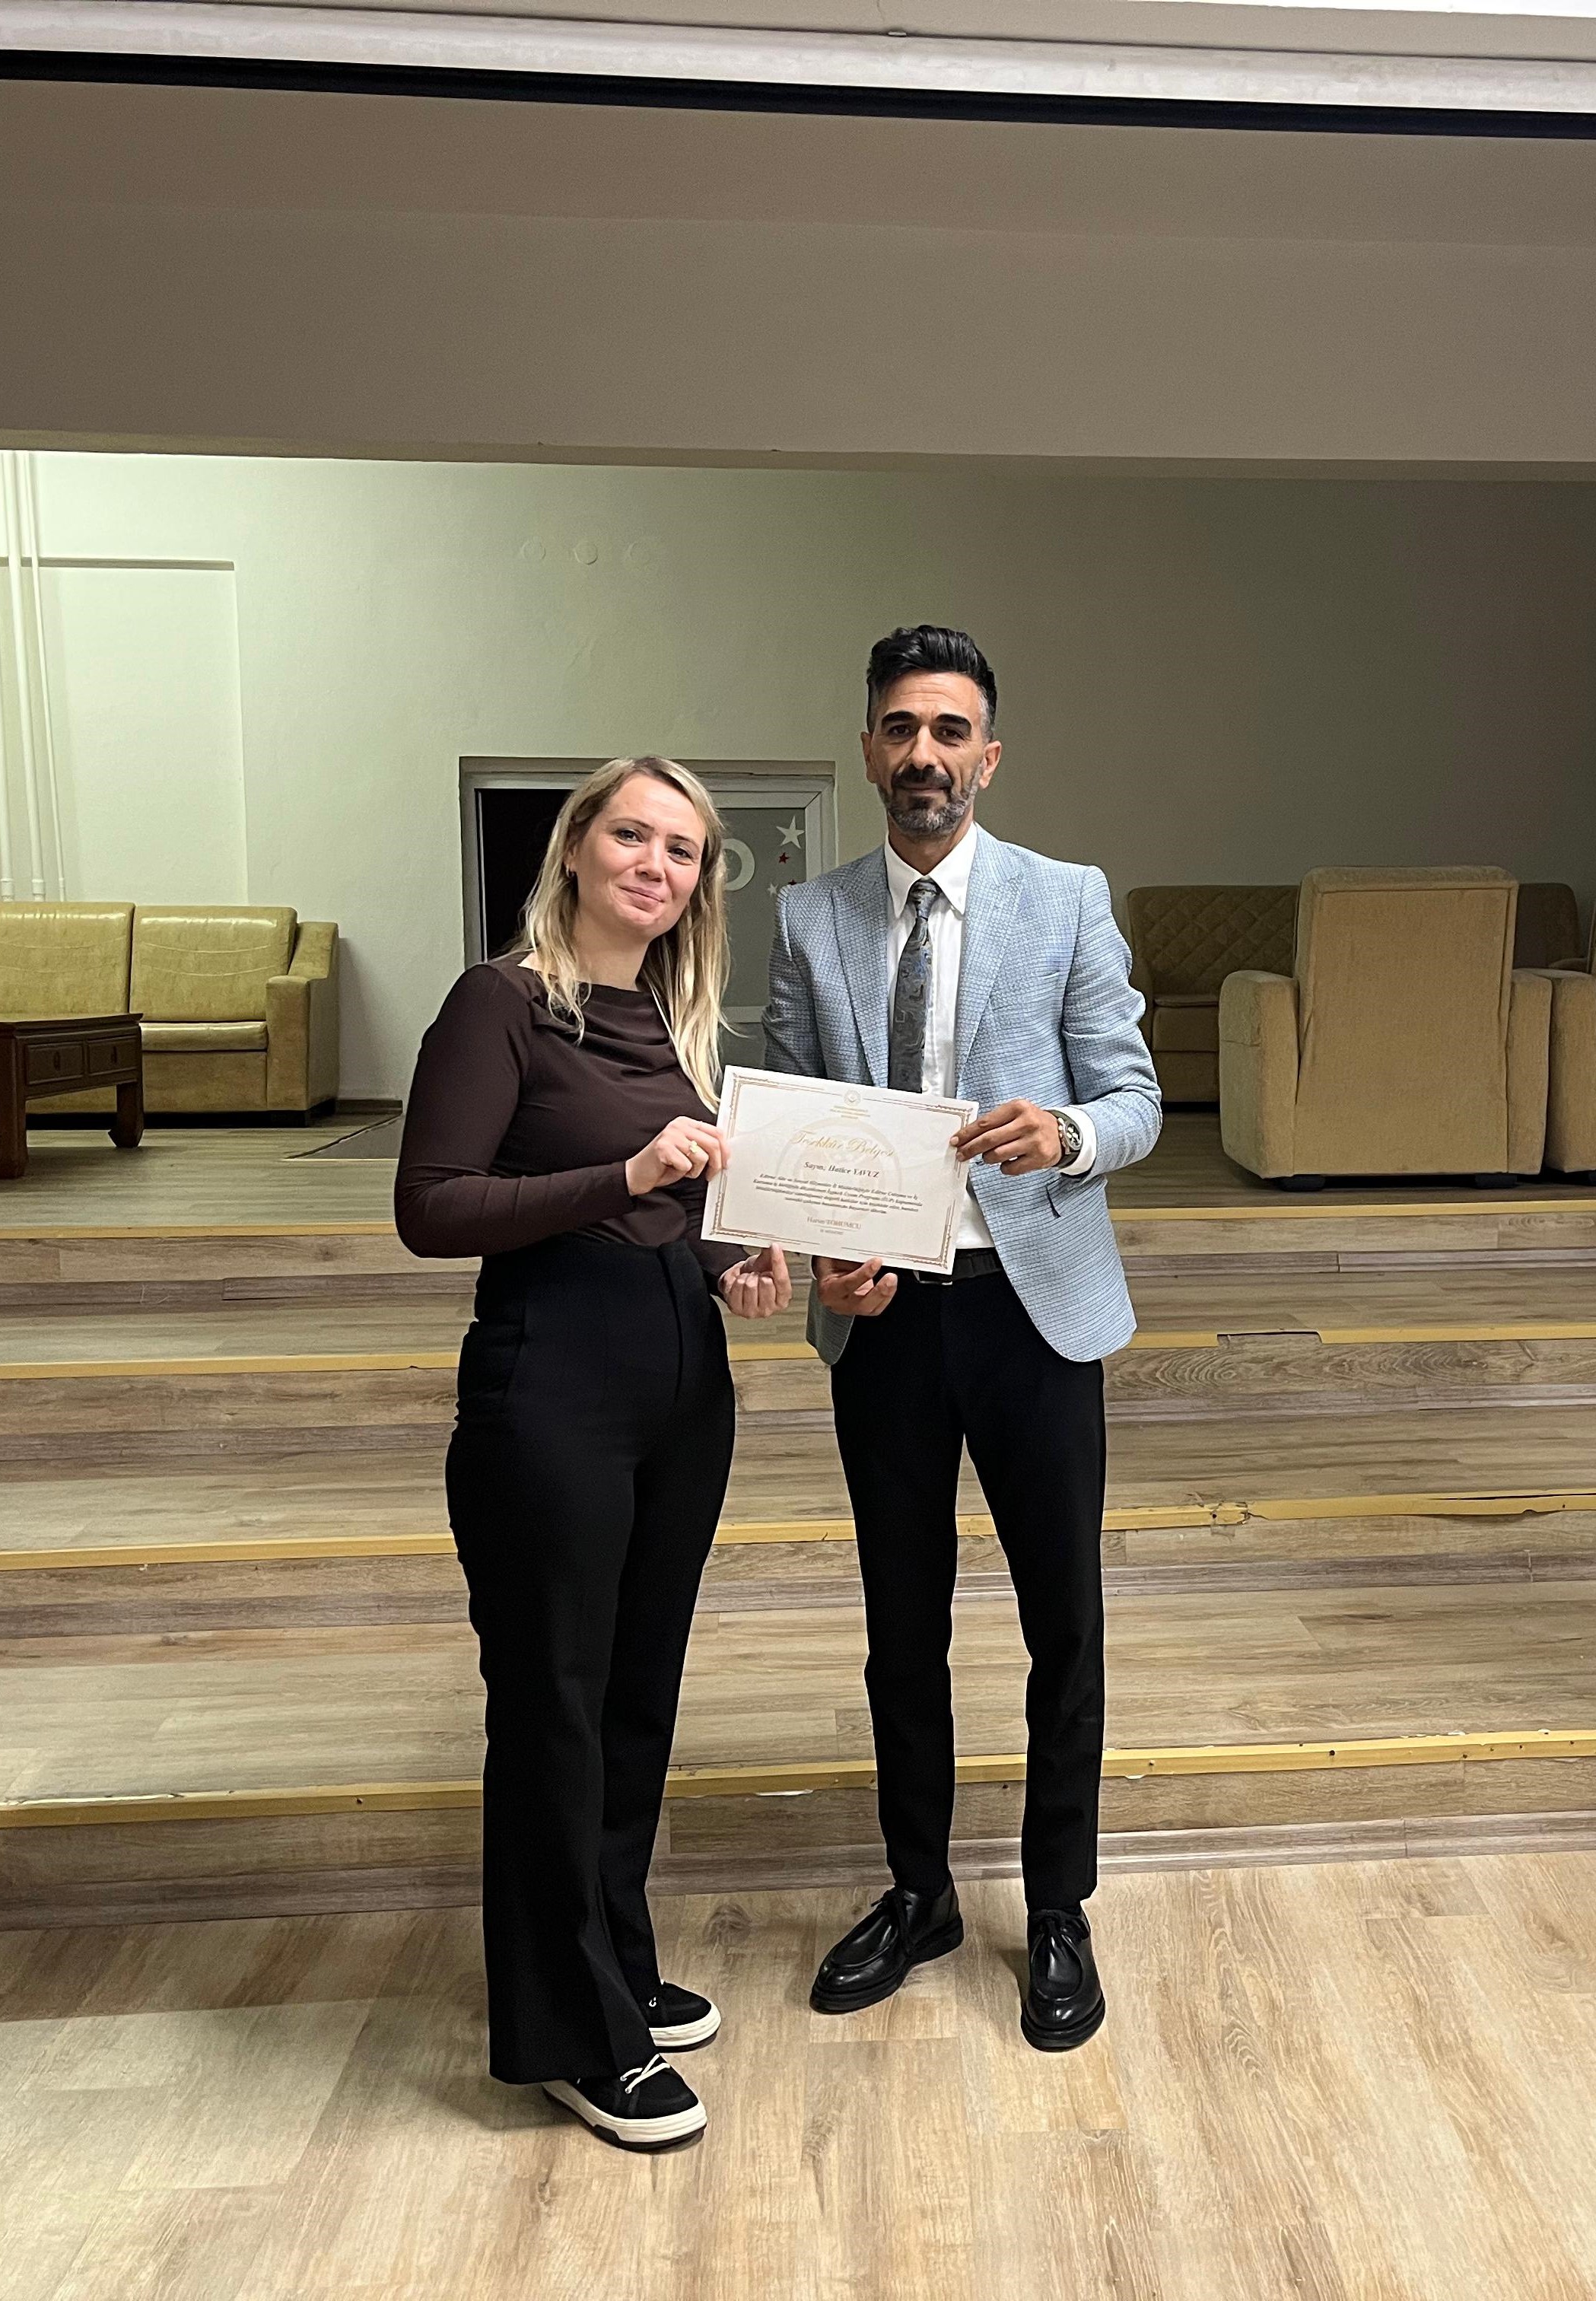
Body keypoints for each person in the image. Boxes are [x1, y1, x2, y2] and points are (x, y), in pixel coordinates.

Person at [762, 627, 1161, 2051]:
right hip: (886, 1320)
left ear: (987, 756)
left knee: (1064, 1620)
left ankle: (1057, 1905)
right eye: (899, 728)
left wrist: (1068, 1133)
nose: (922, 753)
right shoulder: (809, 918)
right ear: (869, 749)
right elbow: (798, 1129)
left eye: (948, 730)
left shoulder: (1066, 899)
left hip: (1032, 1309)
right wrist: (826, 1254)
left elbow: (1136, 1099)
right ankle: (920, 1890)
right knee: (900, 1621)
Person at [396, 756, 790, 2150]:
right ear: (576, 846)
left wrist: (740, 1265)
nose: (656, 865)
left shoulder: (672, 1022)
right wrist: (625, 1176)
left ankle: (611, 1962)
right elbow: (432, 1209)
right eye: (632, 834)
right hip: (550, 1380)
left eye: (683, 850)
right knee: (554, 1705)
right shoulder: (498, 1003)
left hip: (679, 1380)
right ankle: (572, 2035)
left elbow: (680, 1214)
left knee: (635, 1697)